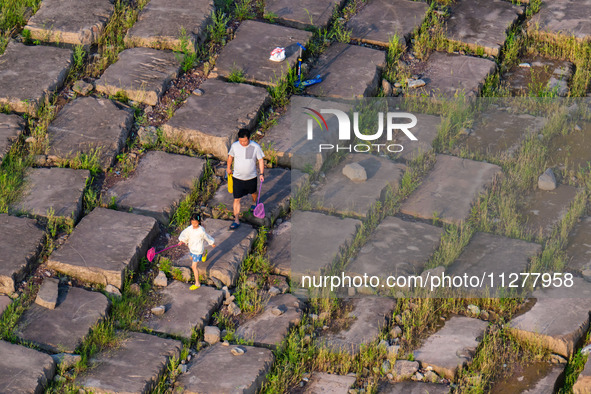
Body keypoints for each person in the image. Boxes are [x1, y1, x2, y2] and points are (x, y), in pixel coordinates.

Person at [227, 128, 265, 230]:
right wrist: (228, 167)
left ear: (249, 138)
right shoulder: (235, 146)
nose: (243, 143)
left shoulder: (255, 147)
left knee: (253, 192)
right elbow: (230, 157)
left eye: (245, 141)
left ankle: (254, 203)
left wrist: (261, 173)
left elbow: (261, 160)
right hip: (237, 178)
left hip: (251, 177)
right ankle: (236, 220)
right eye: (241, 141)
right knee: (236, 199)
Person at [177, 213, 215, 290]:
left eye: (196, 223)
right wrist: (181, 240)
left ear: (199, 222)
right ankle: (203, 255)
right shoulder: (189, 228)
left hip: (198, 250)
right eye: (192, 223)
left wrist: (211, 243)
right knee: (191, 257)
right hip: (192, 248)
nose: (194, 224)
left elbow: (206, 237)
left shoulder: (201, 231)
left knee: (194, 266)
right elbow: (185, 235)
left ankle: (197, 283)